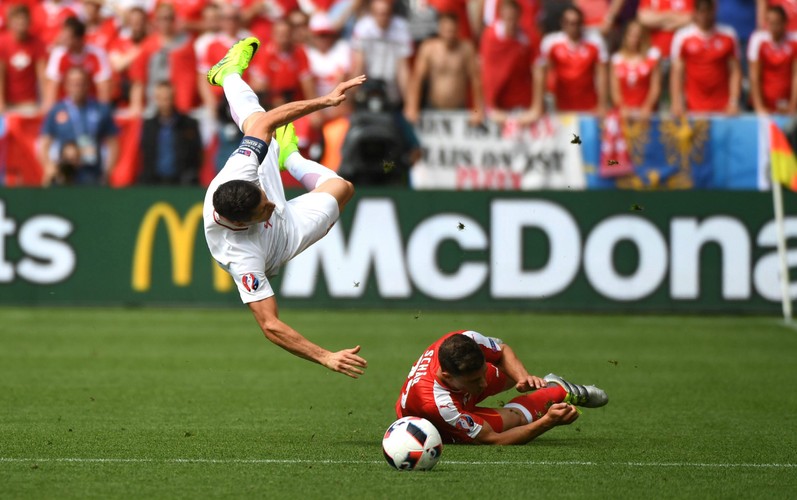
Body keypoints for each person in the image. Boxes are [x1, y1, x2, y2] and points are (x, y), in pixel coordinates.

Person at [202, 37, 368, 378]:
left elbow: (265, 124)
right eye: (264, 208)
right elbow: (271, 325)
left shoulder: (241, 174)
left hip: (250, 193)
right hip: (277, 241)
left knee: (260, 122)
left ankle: (227, 73)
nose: (274, 203)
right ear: (242, 221)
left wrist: (326, 101)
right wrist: (324, 356)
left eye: (265, 198)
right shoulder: (242, 256)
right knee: (343, 188)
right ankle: (289, 157)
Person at [395, 330, 608, 444]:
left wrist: (523, 378)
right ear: (447, 376)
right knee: (515, 420)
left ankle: (542, 385)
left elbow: (503, 351)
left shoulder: (466, 339)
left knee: (508, 372)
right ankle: (557, 391)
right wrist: (547, 422)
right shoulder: (439, 406)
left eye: (482, 375)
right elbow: (494, 440)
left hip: (454, 393)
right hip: (438, 421)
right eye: (475, 381)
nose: (484, 383)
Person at [38, 67, 119, 186]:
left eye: (81, 84)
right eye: (73, 84)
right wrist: (49, 167)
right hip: (65, 172)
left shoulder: (100, 109)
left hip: (92, 171)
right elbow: (45, 142)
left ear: (87, 85)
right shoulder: (57, 110)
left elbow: (114, 143)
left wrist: (108, 170)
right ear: (66, 86)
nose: (77, 88)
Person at [529, 5, 609, 121]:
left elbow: (602, 75)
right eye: (569, 22)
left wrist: (602, 105)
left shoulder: (595, 42)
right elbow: (540, 72)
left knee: (583, 139)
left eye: (576, 23)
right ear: (562, 23)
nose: (573, 27)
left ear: (582, 23)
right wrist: (538, 105)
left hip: (589, 107)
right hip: (561, 107)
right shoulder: (551, 43)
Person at [404, 12, 484, 125]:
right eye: (447, 30)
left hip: (459, 109)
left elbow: (476, 81)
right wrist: (412, 107)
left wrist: (478, 110)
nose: (449, 35)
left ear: (458, 30)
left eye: (452, 31)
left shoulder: (466, 49)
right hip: (433, 107)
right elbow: (417, 79)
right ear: (440, 29)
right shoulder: (429, 49)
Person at [670, 0, 741, 116]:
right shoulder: (683, 37)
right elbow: (677, 72)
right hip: (692, 106)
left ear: (714, 12)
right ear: (695, 13)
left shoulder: (728, 35)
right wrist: (676, 102)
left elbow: (735, 71)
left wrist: (733, 102)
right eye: (701, 12)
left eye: (708, 11)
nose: (705, 16)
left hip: (722, 107)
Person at [478, 0, 536, 125]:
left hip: (520, 102)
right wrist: (483, 104)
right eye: (508, 15)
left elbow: (538, 68)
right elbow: (483, 69)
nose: (510, 20)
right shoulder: (489, 36)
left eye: (513, 16)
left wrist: (536, 108)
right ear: (501, 14)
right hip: (494, 102)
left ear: (519, 16)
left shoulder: (527, 38)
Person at [139, 81, 203, 185]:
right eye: (161, 98)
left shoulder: (188, 124)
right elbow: (145, 153)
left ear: (173, 98)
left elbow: (198, 152)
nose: (164, 102)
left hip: (182, 182)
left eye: (167, 98)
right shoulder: (149, 125)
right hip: (154, 182)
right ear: (156, 99)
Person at [43, 16, 113, 111]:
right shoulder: (58, 54)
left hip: (91, 107)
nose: (62, 39)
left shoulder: (97, 54)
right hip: (64, 107)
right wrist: (49, 112)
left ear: (79, 39)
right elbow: (52, 87)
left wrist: (102, 113)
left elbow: (103, 88)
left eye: (68, 37)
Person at [748, 5, 797, 114]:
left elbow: (795, 75)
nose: (773, 27)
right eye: (770, 23)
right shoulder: (758, 40)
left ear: (785, 23)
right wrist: (759, 107)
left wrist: (793, 105)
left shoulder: (794, 41)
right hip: (765, 103)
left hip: (787, 102)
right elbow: (754, 76)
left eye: (777, 23)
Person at [610, 20, 662, 119]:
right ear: (625, 36)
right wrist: (622, 107)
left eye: (638, 35)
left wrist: (648, 106)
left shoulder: (652, 56)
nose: (635, 39)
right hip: (624, 114)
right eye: (631, 35)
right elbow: (615, 90)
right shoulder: (616, 59)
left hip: (647, 114)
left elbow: (655, 87)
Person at [0, 4, 46, 113]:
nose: (21, 23)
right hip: (7, 102)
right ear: (10, 22)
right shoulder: (2, 43)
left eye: (23, 20)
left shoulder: (37, 43)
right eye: (17, 20)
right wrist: (1, 103)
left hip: (29, 102)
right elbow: (1, 75)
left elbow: (42, 75)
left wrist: (44, 103)